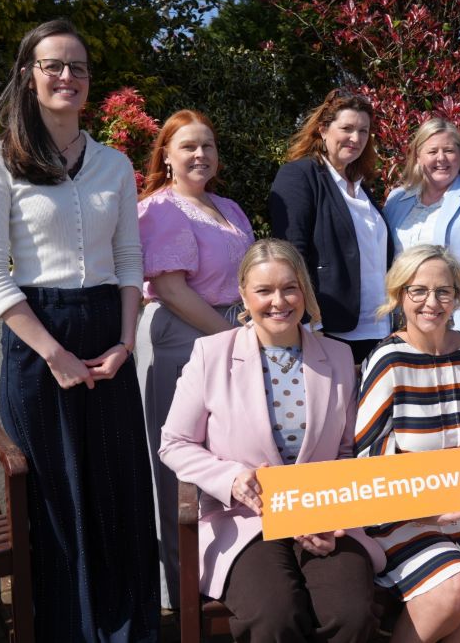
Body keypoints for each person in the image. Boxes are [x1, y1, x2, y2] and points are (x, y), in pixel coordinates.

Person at [0, 19, 159, 641]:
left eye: (78, 67)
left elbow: (129, 262)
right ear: (29, 76)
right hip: (38, 342)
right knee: (55, 501)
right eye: (53, 65)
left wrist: (125, 344)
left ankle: (124, 629)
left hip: (109, 337)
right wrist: (54, 353)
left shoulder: (115, 165)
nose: (67, 77)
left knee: (113, 490)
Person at [159, 238, 384, 642]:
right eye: (264, 290)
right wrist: (231, 478)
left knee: (350, 614)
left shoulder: (337, 357)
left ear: (304, 292)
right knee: (275, 615)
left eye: (289, 288)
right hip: (244, 520)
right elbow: (175, 442)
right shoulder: (211, 354)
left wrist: (332, 512)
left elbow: (346, 451)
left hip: (322, 515)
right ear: (244, 294)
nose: (278, 301)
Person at [355, 245, 460, 643]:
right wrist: (427, 510)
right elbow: (370, 457)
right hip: (404, 514)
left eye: (444, 291)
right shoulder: (388, 360)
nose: (431, 302)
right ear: (400, 295)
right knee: (453, 584)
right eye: (418, 290)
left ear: (458, 297)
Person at [135, 109, 254, 608]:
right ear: (166, 155)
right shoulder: (160, 209)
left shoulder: (228, 207)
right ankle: (179, 584)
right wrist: (233, 338)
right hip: (180, 337)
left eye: (207, 145)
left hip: (230, 333)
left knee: (225, 450)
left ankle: (225, 569)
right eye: (188, 146)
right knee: (178, 458)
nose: (200, 154)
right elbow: (170, 288)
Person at [269, 88, 392, 363]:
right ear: (323, 130)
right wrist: (309, 322)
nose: (356, 138)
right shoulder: (299, 175)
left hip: (378, 327)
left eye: (363, 131)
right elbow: (292, 255)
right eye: (347, 128)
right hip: (329, 329)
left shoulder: (361, 187)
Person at [383, 119, 460, 335]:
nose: (441, 158)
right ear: (418, 156)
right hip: (396, 322)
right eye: (432, 151)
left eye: (449, 150)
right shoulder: (396, 198)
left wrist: (459, 331)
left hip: (447, 321)